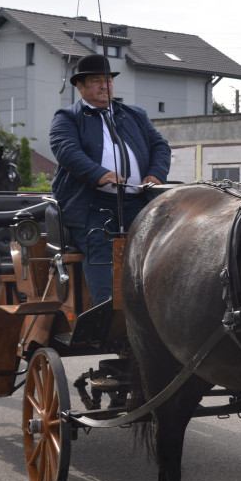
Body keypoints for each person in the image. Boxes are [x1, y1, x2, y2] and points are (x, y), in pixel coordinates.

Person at [50, 53, 171, 306]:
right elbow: (65, 150)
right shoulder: (67, 117)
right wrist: (98, 174)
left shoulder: (134, 114)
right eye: (96, 81)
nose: (104, 86)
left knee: (157, 248)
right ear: (80, 87)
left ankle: (156, 307)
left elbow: (160, 145)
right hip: (92, 204)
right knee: (100, 249)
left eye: (108, 80)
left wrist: (155, 174)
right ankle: (107, 312)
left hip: (138, 201)